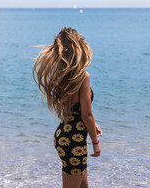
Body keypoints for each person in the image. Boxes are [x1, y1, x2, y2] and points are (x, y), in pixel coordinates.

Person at [32, 27, 102, 188]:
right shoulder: (83, 76)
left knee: (84, 186)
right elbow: (86, 115)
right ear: (77, 47)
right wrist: (95, 142)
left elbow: (75, 113)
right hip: (74, 141)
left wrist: (93, 126)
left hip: (65, 136)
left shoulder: (62, 76)